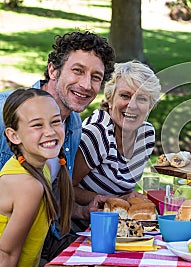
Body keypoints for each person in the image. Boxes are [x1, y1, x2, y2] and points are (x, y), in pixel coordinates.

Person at [0, 31, 115, 265]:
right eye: (78, 70)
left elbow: (46, 200)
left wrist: (82, 211)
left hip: (44, 242)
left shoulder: (72, 125)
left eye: (96, 77)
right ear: (53, 70)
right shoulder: (6, 114)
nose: (86, 85)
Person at [72, 60, 161, 226]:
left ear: (150, 106)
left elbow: (122, 185)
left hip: (119, 224)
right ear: (110, 99)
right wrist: (116, 200)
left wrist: (129, 197)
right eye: (125, 96)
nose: (132, 105)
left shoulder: (146, 134)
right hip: (83, 226)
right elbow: (65, 187)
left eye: (141, 98)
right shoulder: (97, 134)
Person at [0, 89, 73, 267]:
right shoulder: (28, 185)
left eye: (55, 121)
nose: (50, 132)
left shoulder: (42, 169)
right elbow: (6, 255)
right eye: (37, 125)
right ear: (14, 135)